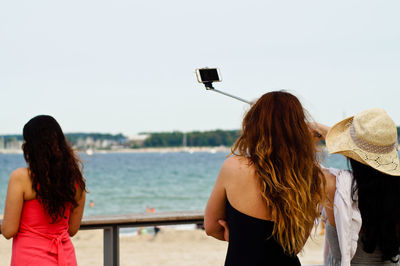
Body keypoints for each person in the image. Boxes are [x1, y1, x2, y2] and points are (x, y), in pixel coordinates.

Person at [204, 91, 326, 265]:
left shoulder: (234, 167)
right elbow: (296, 245)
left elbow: (211, 227)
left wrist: (241, 236)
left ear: (253, 125)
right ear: (299, 129)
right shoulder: (309, 174)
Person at [316, 108, 400, 265]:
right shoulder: (395, 192)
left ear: (351, 155)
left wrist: (320, 130)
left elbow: (296, 163)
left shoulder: (335, 186)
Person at [1, 115, 86, 266]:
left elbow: (8, 231)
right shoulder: (76, 180)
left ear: (30, 147)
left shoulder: (21, 177)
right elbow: (72, 229)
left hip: (30, 258)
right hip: (65, 258)